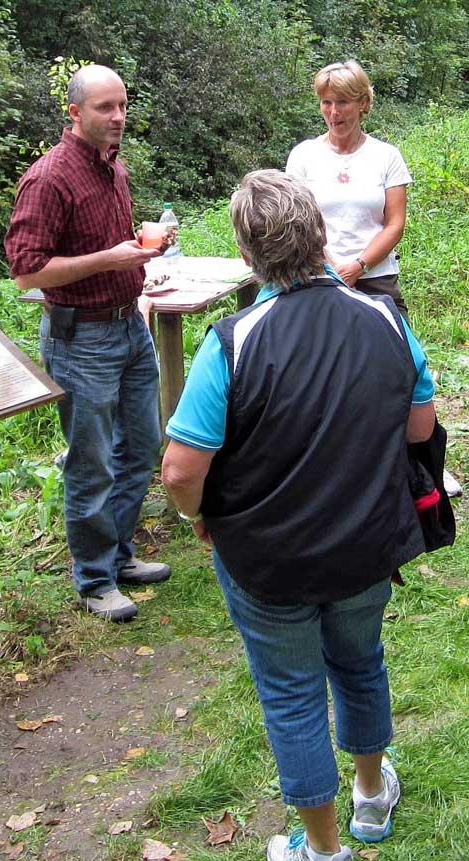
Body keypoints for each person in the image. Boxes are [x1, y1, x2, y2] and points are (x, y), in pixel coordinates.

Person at [161, 170, 436, 861]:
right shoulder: (384, 318)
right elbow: (420, 426)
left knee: (291, 693)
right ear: (318, 234)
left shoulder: (232, 341)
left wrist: (199, 518)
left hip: (267, 558)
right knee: (361, 662)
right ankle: (371, 794)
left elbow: (181, 471)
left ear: (247, 254)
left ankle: (322, 846)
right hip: (368, 542)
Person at [4, 64, 170, 623]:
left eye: (122, 105)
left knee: (142, 446)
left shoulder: (113, 166)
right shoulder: (49, 178)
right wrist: (109, 259)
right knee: (91, 462)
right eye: (105, 107)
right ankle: (95, 581)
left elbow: (108, 247)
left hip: (129, 325)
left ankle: (119, 556)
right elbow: (26, 272)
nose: (118, 116)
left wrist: (139, 250)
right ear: (74, 112)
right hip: (82, 338)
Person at [286, 60, 412, 316]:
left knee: (398, 340)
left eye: (342, 102)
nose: (334, 112)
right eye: (327, 102)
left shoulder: (387, 156)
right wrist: (331, 269)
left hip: (376, 278)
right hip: (316, 277)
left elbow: (395, 224)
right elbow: (297, 223)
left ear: (362, 103)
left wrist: (359, 266)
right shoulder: (303, 155)